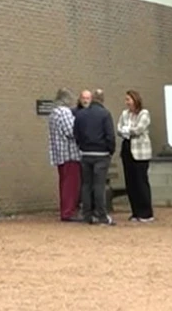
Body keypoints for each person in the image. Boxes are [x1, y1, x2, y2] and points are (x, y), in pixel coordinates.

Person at [73, 88, 117, 225]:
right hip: (101, 154)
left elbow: (76, 134)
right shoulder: (105, 114)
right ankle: (102, 215)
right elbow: (110, 135)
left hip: (85, 154)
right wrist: (110, 150)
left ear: (92, 99)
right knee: (99, 185)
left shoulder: (80, 115)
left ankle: (87, 215)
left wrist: (82, 146)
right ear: (102, 99)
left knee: (86, 185)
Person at [118, 89, 156, 223]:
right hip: (127, 148)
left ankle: (146, 212)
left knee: (141, 181)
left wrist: (127, 130)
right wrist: (125, 130)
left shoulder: (144, 113)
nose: (126, 102)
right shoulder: (124, 114)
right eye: (126, 100)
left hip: (140, 152)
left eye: (128, 99)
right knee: (130, 182)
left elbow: (139, 129)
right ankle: (135, 211)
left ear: (135, 100)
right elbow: (119, 128)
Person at [47, 89, 80, 221]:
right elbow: (71, 131)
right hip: (69, 153)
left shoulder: (53, 113)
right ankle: (68, 212)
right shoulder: (65, 112)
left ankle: (65, 209)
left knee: (64, 183)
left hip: (59, 153)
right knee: (71, 185)